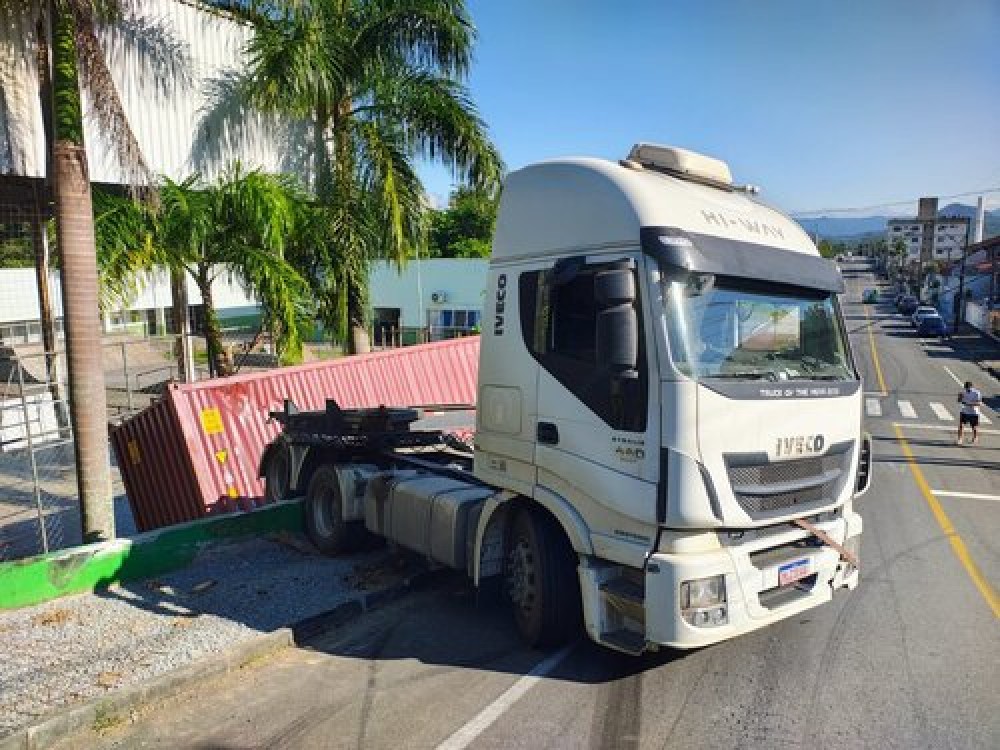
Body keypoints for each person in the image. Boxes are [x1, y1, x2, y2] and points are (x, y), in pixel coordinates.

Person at [956, 381, 983, 445]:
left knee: (974, 427)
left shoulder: (977, 393)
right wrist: (959, 397)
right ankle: (960, 439)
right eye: (966, 388)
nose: (967, 389)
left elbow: (979, 403)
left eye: (968, 388)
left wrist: (969, 404)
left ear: (971, 387)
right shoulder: (963, 392)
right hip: (964, 411)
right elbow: (959, 401)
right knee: (961, 425)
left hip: (974, 412)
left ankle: (975, 438)